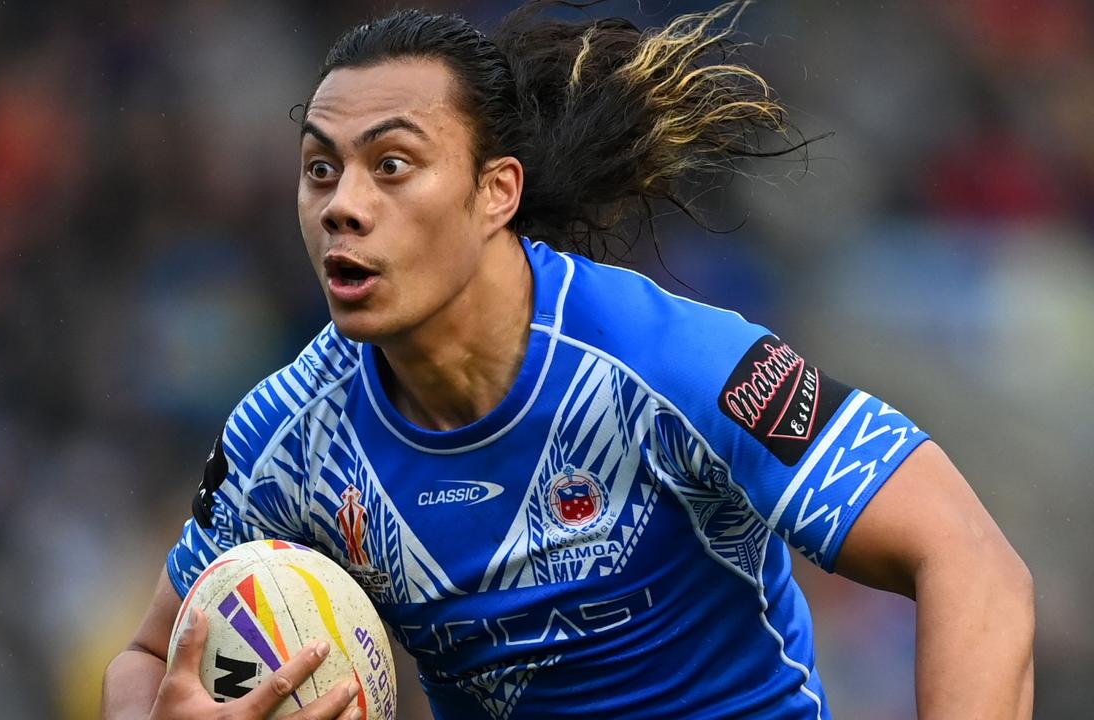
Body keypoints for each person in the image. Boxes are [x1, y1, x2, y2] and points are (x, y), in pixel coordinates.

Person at [102, 2, 1035, 718]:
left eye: (391, 165)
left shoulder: (666, 365)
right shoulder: (290, 435)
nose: (342, 205)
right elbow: (147, 659)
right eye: (320, 170)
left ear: (494, 192)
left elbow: (970, 560)